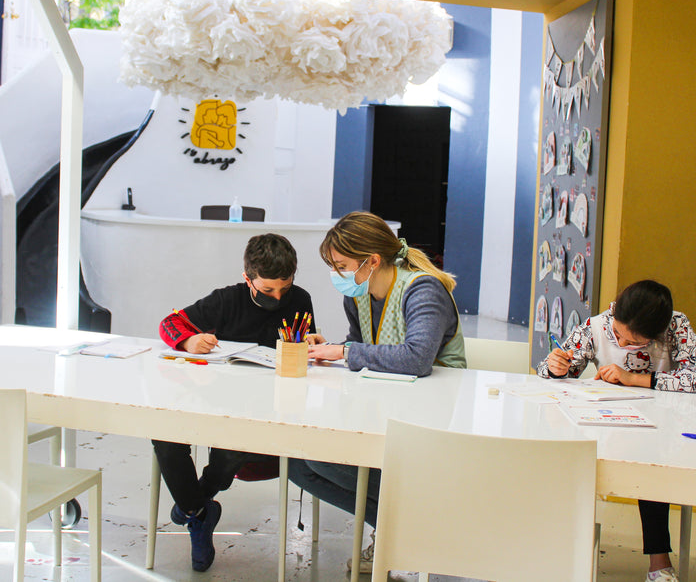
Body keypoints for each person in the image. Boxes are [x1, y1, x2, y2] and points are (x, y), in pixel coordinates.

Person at [287, 211, 466, 572]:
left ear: (372, 261)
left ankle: (409, 535)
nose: (337, 275)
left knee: (319, 459)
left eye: (341, 265)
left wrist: (345, 353)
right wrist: (332, 349)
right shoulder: (358, 296)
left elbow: (416, 358)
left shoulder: (423, 289)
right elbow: (361, 345)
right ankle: (399, 531)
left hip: (428, 420)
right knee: (298, 462)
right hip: (382, 411)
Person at [154, 233, 315, 572]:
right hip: (213, 397)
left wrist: (312, 344)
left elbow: (306, 344)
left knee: (236, 439)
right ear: (248, 278)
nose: (278, 297)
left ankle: (192, 507)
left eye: (283, 288)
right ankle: (200, 510)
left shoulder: (300, 300)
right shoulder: (226, 300)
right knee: (165, 435)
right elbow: (169, 324)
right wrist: (188, 340)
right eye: (267, 289)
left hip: (266, 406)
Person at [537, 279, 696, 582]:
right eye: (618, 335)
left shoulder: (676, 327)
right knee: (562, 456)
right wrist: (555, 368)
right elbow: (553, 373)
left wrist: (634, 378)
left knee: (651, 460)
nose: (621, 344)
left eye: (634, 343)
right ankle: (559, 552)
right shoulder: (598, 326)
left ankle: (659, 563)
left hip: (662, 434)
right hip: (606, 429)